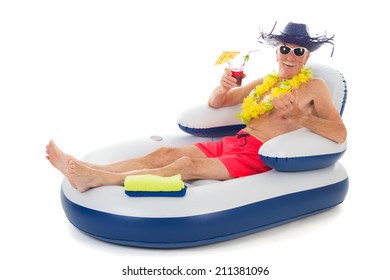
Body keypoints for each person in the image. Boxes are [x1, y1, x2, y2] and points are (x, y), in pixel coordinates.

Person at [46, 22, 347, 193]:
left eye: (298, 51)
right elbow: (218, 102)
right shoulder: (264, 82)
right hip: (234, 143)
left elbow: (339, 132)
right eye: (285, 49)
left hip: (257, 156)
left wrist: (299, 117)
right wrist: (224, 86)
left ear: (306, 58)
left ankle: (97, 179)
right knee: (163, 154)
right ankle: (88, 168)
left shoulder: (314, 87)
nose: (290, 56)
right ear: (277, 53)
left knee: (184, 167)